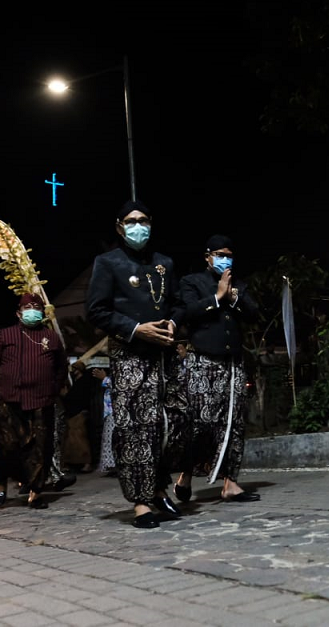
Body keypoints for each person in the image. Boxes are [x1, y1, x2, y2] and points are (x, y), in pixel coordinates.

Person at [85, 199, 189, 529]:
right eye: (130, 221)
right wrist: (135, 329)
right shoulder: (108, 262)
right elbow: (96, 310)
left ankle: (158, 487)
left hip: (165, 356)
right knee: (136, 429)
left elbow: (178, 303)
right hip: (130, 356)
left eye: (143, 220)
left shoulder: (164, 263)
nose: (137, 226)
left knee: (174, 423)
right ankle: (141, 502)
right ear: (119, 227)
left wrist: (173, 322)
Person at [173, 234, 261, 504]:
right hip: (203, 360)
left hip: (232, 362)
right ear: (208, 257)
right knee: (200, 422)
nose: (225, 259)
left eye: (229, 255)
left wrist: (233, 298)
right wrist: (217, 296)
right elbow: (187, 312)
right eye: (220, 255)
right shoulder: (192, 282)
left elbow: (254, 314)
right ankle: (186, 474)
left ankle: (230, 483)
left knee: (233, 422)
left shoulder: (239, 284)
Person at [0, 292, 68, 509]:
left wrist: (53, 389)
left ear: (43, 313)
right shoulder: (4, 335)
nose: (32, 312)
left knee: (41, 447)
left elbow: (61, 367)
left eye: (37, 309)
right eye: (27, 309)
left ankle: (36, 492)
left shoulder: (51, 338)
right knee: (8, 446)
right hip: (11, 400)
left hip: (42, 401)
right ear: (18, 313)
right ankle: (1, 484)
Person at [61, 360, 94, 473]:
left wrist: (66, 395)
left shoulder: (82, 382)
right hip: (76, 412)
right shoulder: (78, 382)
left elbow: (77, 397)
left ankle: (86, 462)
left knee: (79, 439)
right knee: (74, 439)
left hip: (78, 413)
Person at [95, 366, 116, 474]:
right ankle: (110, 464)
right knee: (108, 438)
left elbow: (117, 385)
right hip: (110, 411)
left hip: (115, 411)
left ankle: (113, 464)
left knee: (111, 438)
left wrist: (104, 378)